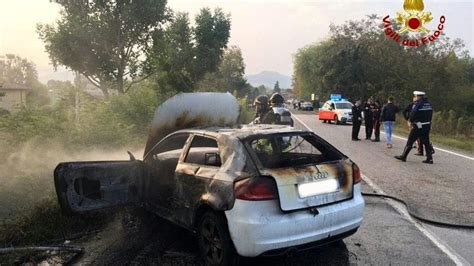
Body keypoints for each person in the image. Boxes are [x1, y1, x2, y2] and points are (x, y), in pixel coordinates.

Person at [395, 91, 434, 164]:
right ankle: (430, 158)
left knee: (410, 140)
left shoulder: (418, 104)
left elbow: (413, 114)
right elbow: (431, 114)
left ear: (418, 96)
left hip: (418, 126)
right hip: (427, 125)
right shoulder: (429, 104)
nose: (415, 98)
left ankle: (404, 156)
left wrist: (410, 121)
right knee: (426, 142)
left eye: (415, 96)